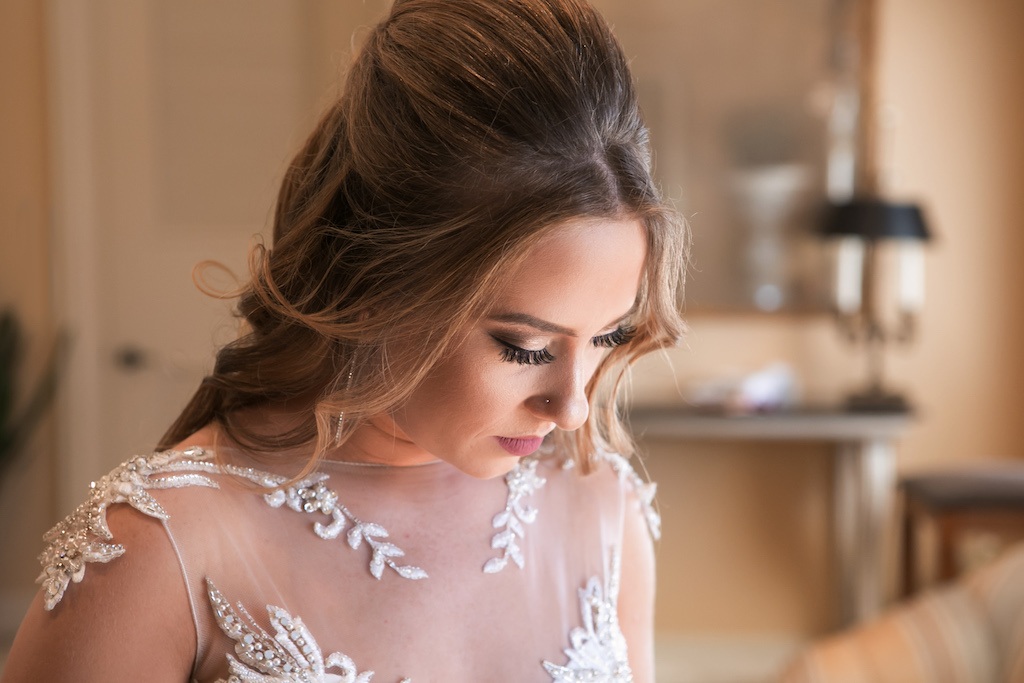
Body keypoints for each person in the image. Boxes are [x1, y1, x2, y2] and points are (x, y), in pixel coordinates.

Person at [2, 0, 687, 680]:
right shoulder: (160, 550)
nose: (571, 407)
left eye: (607, 335)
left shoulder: (600, 511)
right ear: (384, 278)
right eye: (524, 346)